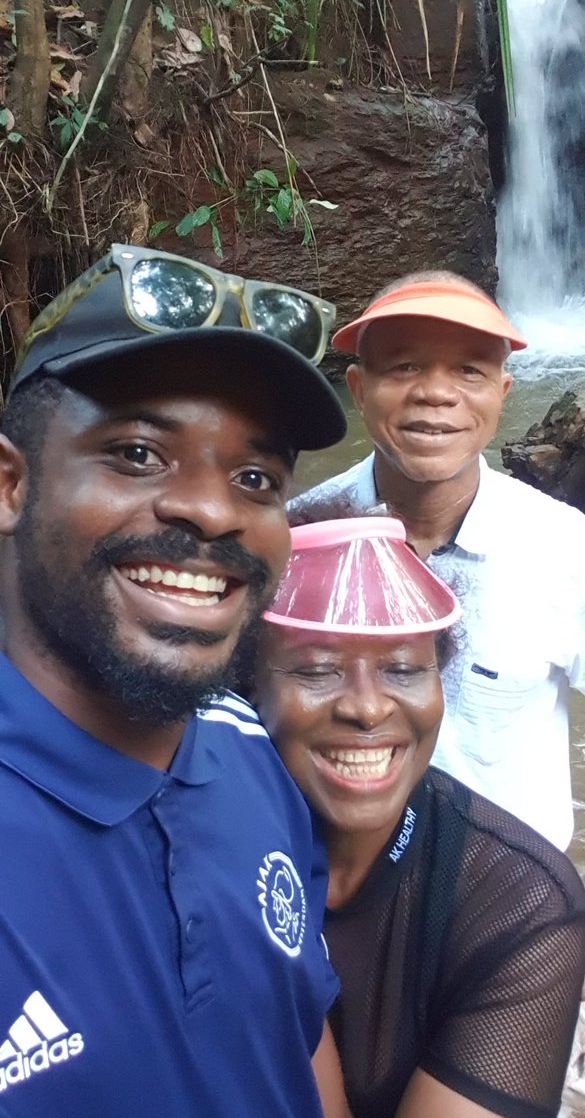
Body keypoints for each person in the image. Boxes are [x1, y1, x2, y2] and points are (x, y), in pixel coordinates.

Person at [0, 243, 351, 1117]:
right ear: (10, 484)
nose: (214, 508)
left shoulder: (248, 751)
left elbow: (295, 1031)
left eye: (255, 477)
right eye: (137, 453)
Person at [255, 513, 585, 1118]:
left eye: (403, 668)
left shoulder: (520, 902)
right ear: (246, 687)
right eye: (316, 668)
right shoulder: (185, 845)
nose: (366, 707)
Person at [289, 272, 585, 850]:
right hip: (336, 890)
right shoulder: (301, 537)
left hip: (512, 909)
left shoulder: (565, 549)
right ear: (358, 388)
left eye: (469, 370)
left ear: (502, 395)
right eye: (403, 367)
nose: (436, 393)